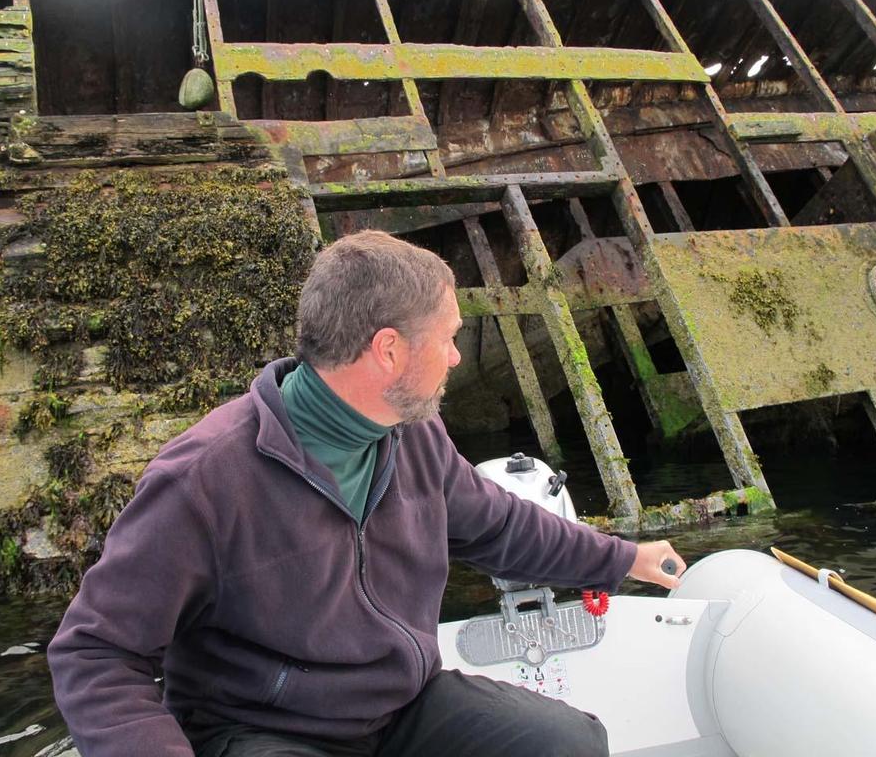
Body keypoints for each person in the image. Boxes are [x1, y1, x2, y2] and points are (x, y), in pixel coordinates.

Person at [48, 230, 687, 757]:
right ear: (388, 351)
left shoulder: (415, 435)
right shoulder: (203, 480)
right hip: (263, 731)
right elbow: (97, 652)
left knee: (568, 744)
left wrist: (623, 557)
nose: (458, 357)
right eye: (449, 337)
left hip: (398, 708)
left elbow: (500, 528)